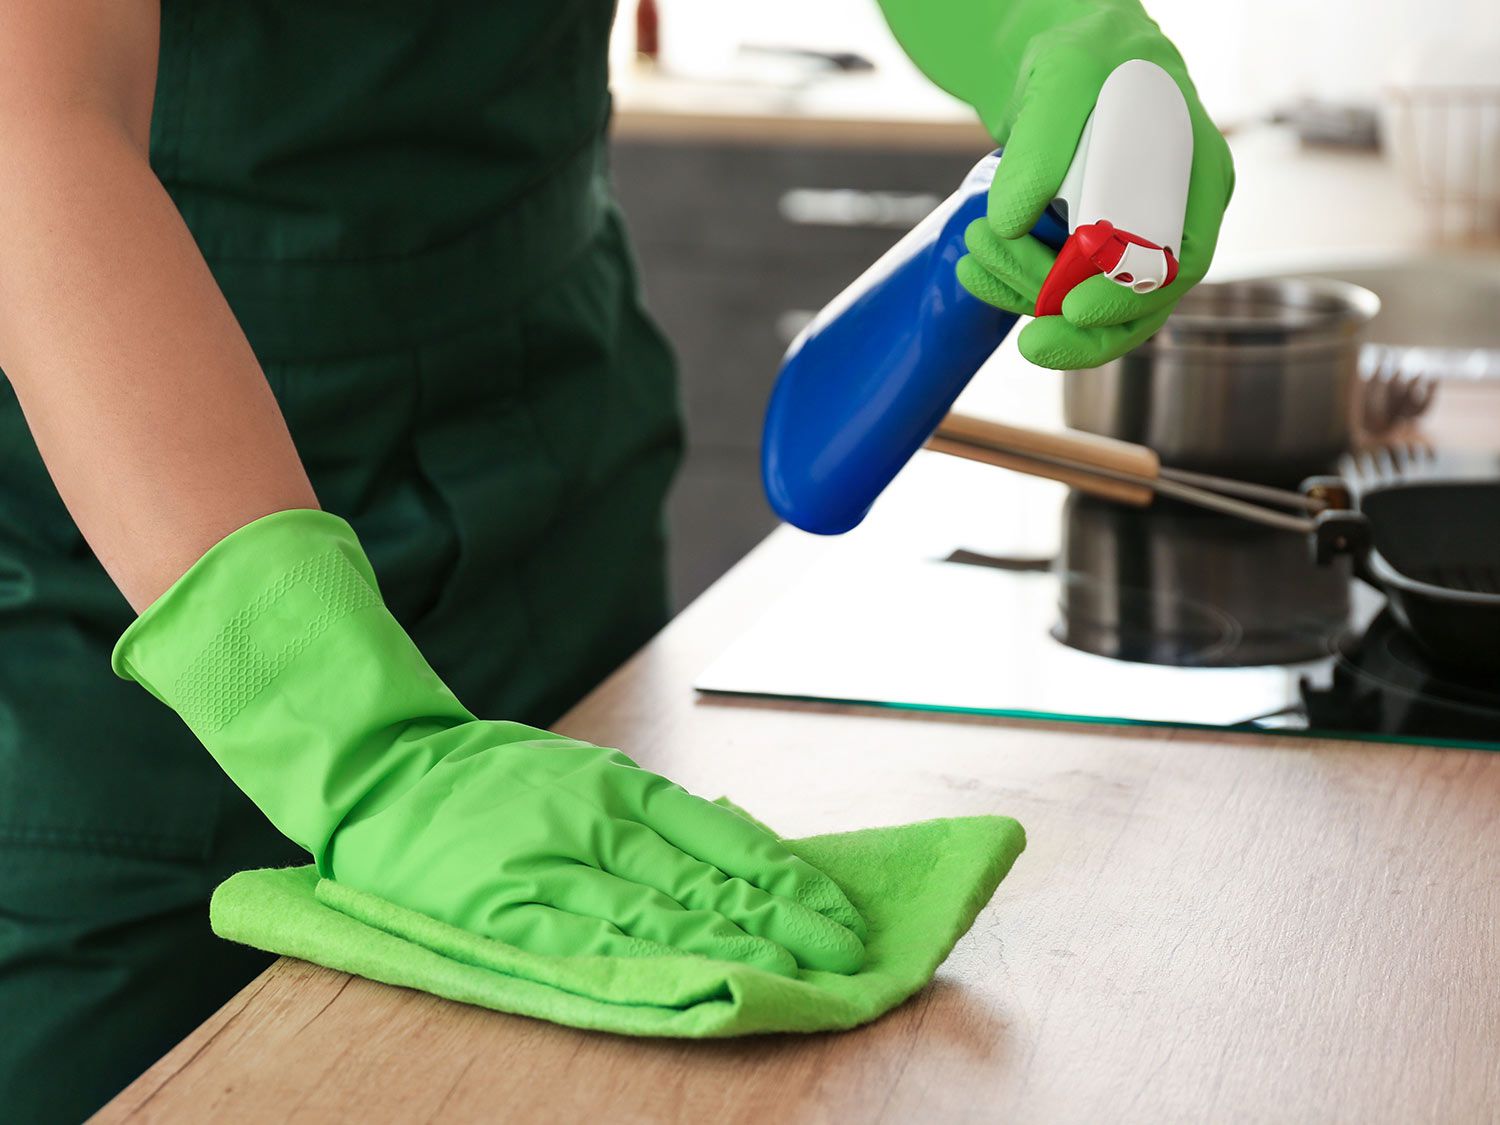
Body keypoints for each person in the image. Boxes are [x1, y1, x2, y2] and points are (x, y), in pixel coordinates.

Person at [0, 1, 1232, 1118]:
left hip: (545, 472)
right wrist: (347, 736)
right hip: (140, 576)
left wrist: (1042, 25)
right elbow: (29, 126)